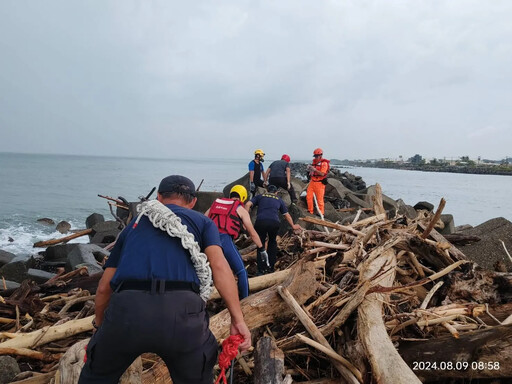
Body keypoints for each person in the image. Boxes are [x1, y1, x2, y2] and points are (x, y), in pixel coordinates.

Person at [79, 175, 251, 384]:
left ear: (159, 197)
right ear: (193, 201)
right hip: (183, 314)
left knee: (95, 377)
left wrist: (99, 326)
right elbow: (220, 267)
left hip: (127, 310)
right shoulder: (203, 222)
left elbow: (104, 287)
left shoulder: (133, 225)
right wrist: (238, 319)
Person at [205, 184, 267, 299]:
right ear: (243, 197)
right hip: (224, 239)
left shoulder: (215, 203)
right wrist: (262, 249)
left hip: (208, 240)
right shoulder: (240, 209)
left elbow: (203, 220)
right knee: (241, 272)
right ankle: (244, 301)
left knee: (210, 272)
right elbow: (252, 233)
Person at [245, 185, 302, 275]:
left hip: (261, 222)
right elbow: (286, 214)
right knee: (272, 243)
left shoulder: (260, 196)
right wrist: (293, 225)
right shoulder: (278, 199)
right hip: (274, 222)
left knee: (261, 244)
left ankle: (260, 270)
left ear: (266, 191)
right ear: (276, 192)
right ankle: (271, 268)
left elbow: (248, 204)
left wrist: (246, 219)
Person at [306, 148, 330, 216]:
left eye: (317, 156)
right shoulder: (314, 162)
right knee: (308, 197)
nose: (316, 157)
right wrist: (309, 169)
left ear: (320, 155)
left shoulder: (324, 163)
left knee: (320, 199)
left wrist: (315, 170)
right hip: (312, 182)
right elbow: (311, 172)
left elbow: (322, 173)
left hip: (320, 183)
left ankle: (321, 213)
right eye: (315, 156)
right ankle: (310, 211)